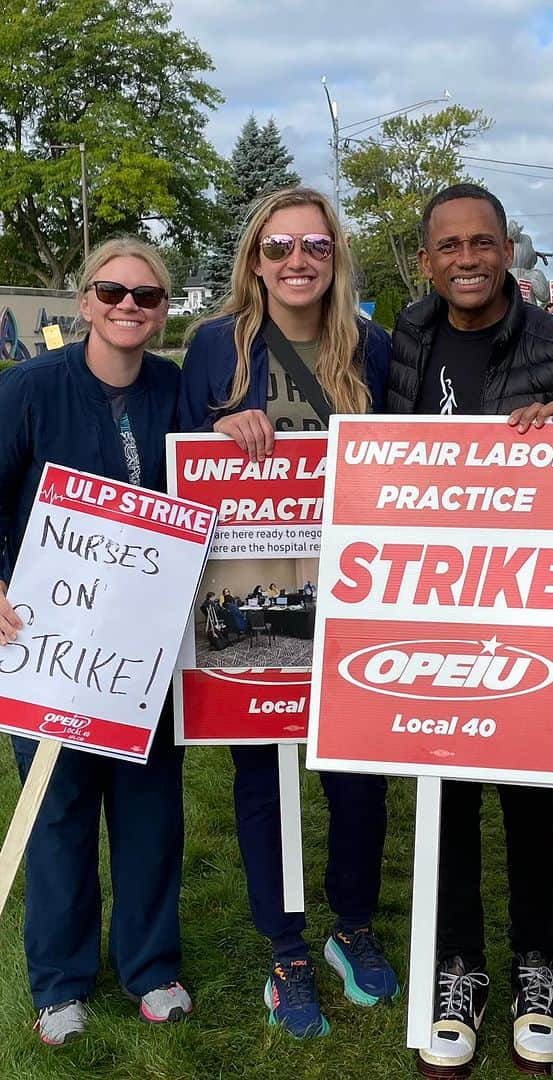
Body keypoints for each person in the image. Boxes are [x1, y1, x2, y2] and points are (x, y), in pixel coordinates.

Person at [389, 182, 553, 1077]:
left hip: (528, 616)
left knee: (527, 797)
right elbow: (388, 459)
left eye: (484, 242)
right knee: (446, 797)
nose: (468, 259)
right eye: (450, 246)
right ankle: (459, 969)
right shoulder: (407, 336)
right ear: (428, 258)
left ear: (510, 248)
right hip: (431, 609)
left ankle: (536, 967)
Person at [179, 186, 396, 1038]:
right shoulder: (213, 347)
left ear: (335, 256)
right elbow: (182, 459)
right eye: (279, 247)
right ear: (254, 260)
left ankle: (353, 923)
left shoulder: (370, 348)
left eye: (314, 245)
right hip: (252, 574)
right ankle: (286, 946)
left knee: (358, 776)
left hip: (355, 594)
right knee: (262, 776)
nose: (297, 261)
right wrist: (221, 429)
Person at [0, 237, 192, 1045]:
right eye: (113, 292)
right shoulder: (29, 389)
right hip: (49, 645)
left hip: (145, 653)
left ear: (163, 311)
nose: (128, 307)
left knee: (150, 812)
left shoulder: (175, 391)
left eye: (146, 297)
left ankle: (152, 968)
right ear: (85, 302)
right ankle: (61, 983)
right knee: (59, 811)